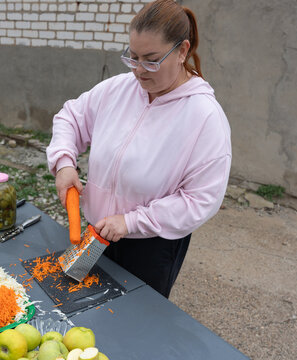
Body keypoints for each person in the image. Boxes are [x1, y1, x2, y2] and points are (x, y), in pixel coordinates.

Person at [46, 0, 231, 298]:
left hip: (151, 244)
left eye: (151, 60)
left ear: (182, 51)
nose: (139, 71)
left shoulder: (204, 117)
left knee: (135, 326)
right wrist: (65, 162)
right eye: (133, 58)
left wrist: (131, 222)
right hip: (95, 232)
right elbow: (71, 117)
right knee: (87, 313)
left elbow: (200, 199)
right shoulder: (117, 89)